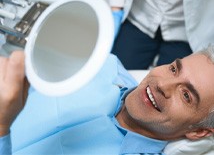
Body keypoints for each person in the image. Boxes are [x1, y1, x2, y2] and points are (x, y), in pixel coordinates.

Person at [0, 45, 214, 155]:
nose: (162, 85)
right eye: (173, 68)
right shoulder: (103, 65)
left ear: (198, 131)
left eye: (186, 95)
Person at [110, 0, 214, 70]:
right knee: (116, 75)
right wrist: (115, 8)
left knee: (171, 91)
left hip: (184, 31)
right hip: (140, 17)